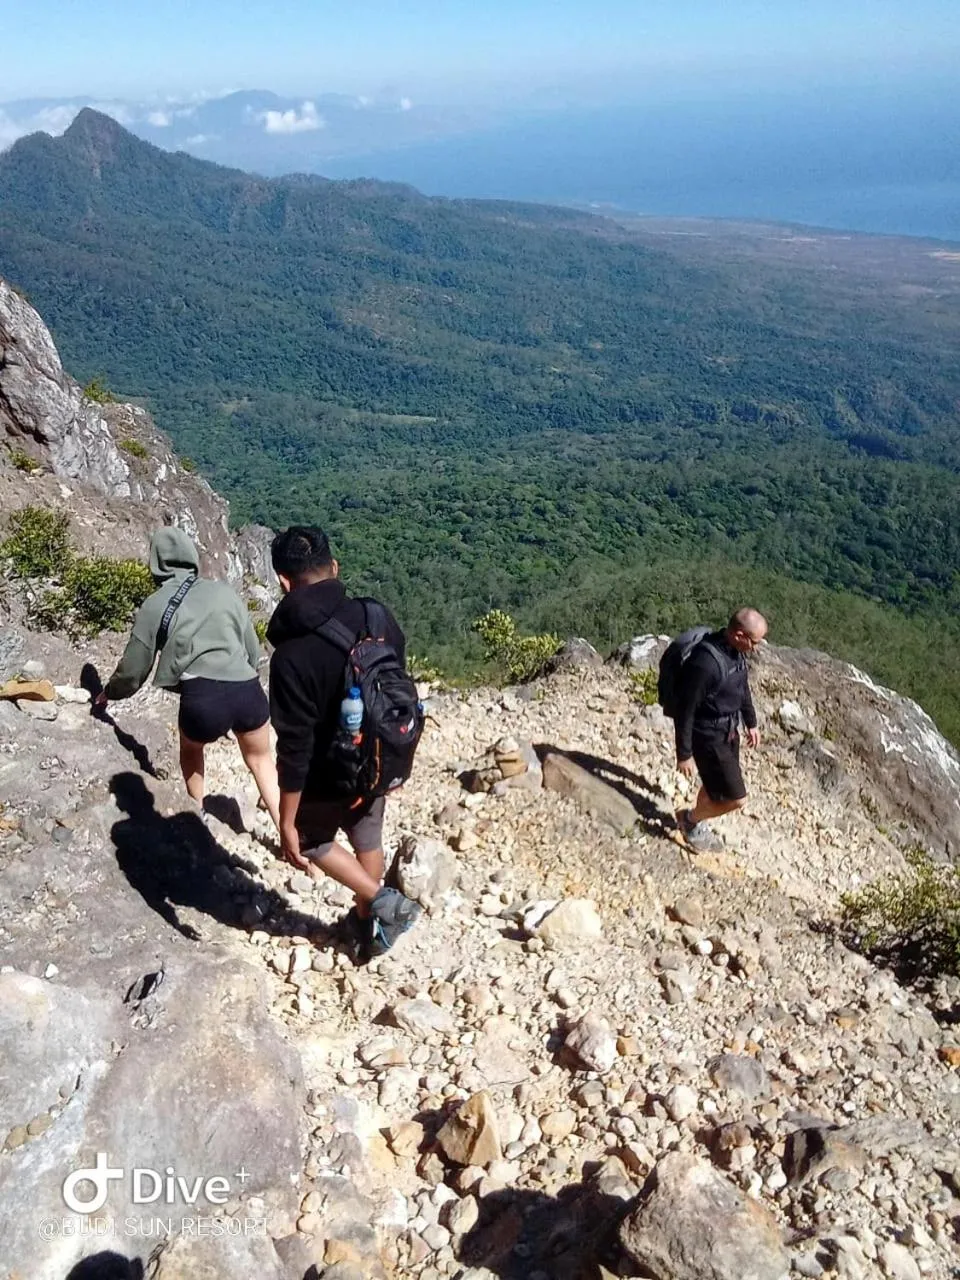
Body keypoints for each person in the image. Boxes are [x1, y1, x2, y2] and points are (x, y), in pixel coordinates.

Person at [267, 525, 421, 958]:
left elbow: (294, 748)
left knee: (312, 838)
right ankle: (370, 928)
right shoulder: (377, 617)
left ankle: (385, 905)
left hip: (327, 775)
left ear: (283, 582)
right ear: (334, 568)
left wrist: (286, 820)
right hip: (377, 757)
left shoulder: (290, 657)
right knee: (366, 835)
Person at [95, 528, 280, 829]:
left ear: (156, 563)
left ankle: (198, 818)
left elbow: (133, 671)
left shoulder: (155, 604)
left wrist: (109, 693)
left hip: (202, 698)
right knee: (262, 762)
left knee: (192, 750)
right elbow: (251, 651)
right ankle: (296, 846)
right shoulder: (224, 591)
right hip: (248, 691)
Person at [673, 607, 768, 852]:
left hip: (728, 731)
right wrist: (684, 754)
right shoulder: (706, 664)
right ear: (738, 635)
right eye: (755, 642)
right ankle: (689, 820)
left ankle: (696, 821)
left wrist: (751, 722)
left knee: (714, 787)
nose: (756, 648)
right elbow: (685, 710)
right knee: (737, 799)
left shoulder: (734, 653)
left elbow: (741, 685)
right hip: (708, 737)